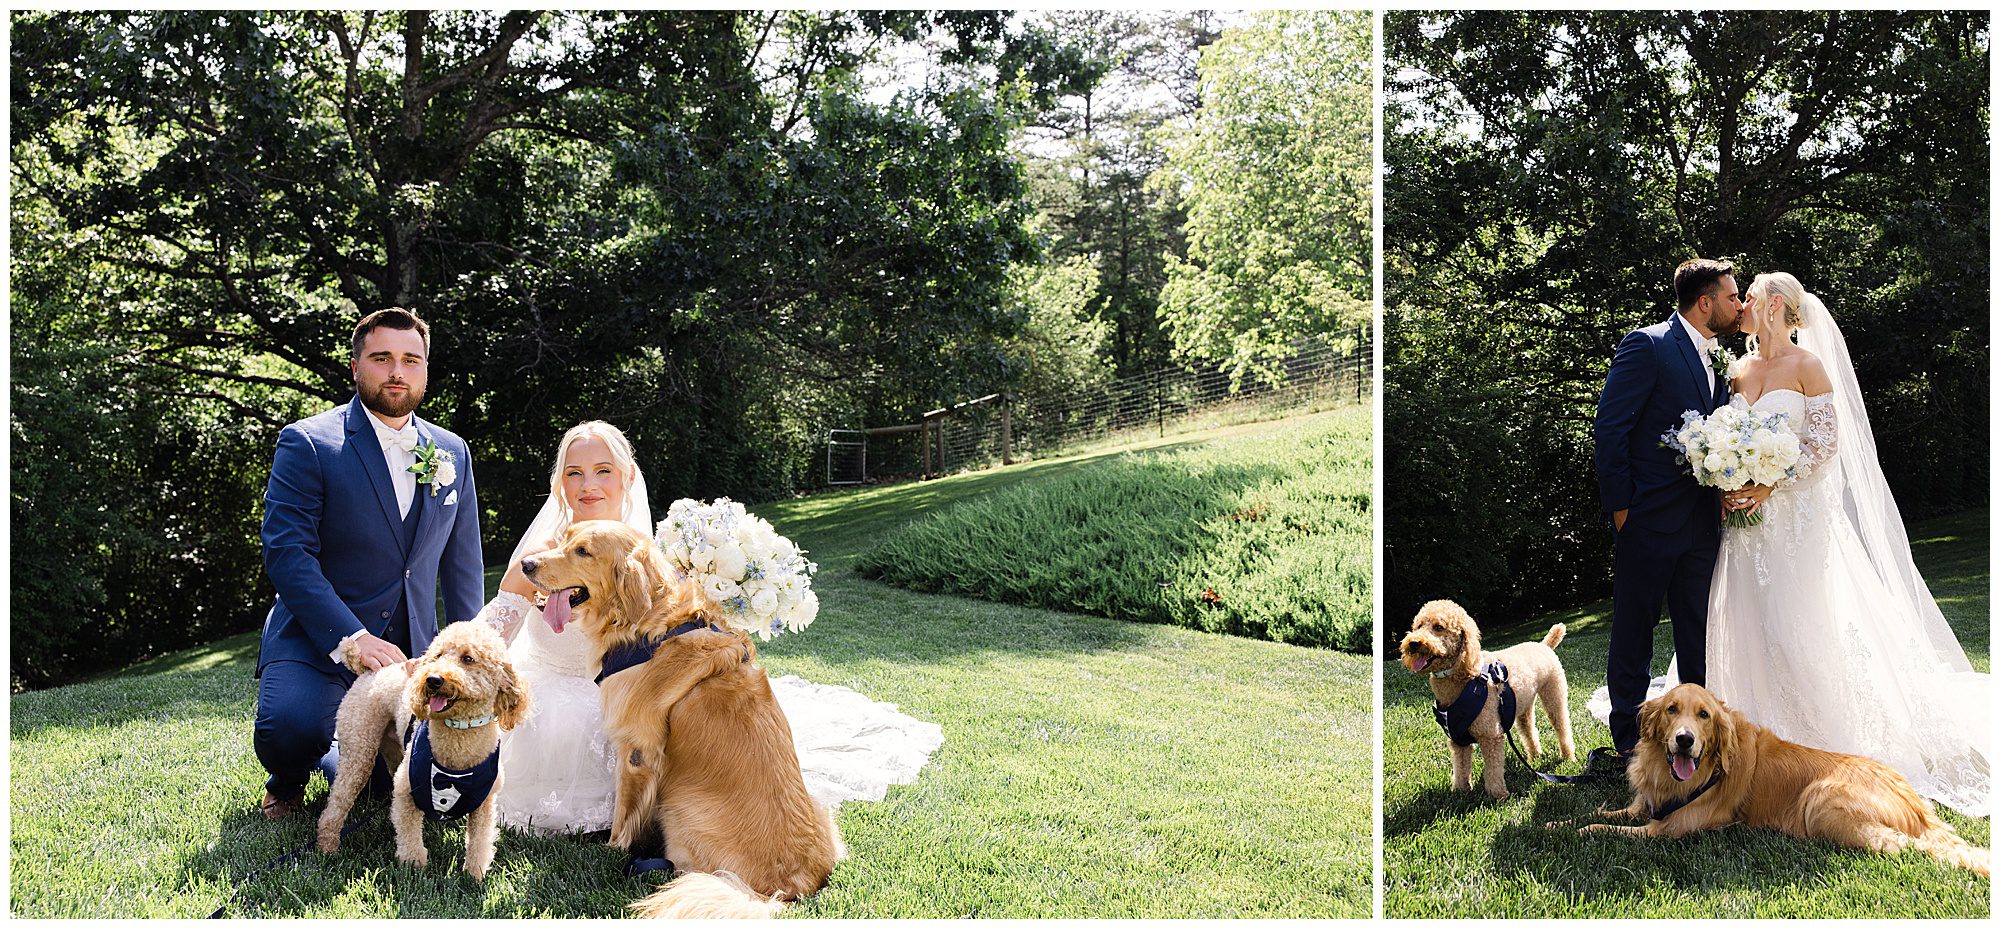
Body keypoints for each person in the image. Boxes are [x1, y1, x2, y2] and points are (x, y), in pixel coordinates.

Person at [1590, 272, 1992, 815]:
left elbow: (1825, 446)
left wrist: (1766, 483)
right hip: (1733, 530)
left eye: (1747, 297)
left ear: (1774, 305)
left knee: (1794, 622)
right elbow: (1704, 437)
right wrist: (1729, 481)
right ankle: (1703, 741)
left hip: (1791, 523)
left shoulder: (1806, 366)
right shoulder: (1732, 370)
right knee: (1728, 624)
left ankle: (1804, 733)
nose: (1741, 306)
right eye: (1735, 297)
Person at [473, 421, 944, 834]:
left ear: (627, 477)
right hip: (551, 704)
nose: (588, 485)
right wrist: (444, 658)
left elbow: (694, 642)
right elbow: (496, 628)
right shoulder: (536, 559)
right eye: (574, 473)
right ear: (559, 483)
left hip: (640, 700)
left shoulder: (658, 558)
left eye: (603, 471)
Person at [254, 307, 484, 819]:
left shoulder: (453, 451)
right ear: (356, 366)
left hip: (410, 655)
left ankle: (346, 751)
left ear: (425, 368)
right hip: (318, 641)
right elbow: (287, 555)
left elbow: (463, 566)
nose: (397, 371)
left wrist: (466, 654)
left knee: (392, 788)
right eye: (382, 358)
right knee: (291, 728)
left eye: (411, 359)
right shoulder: (309, 442)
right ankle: (288, 778)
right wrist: (353, 638)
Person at [1589, 258, 1741, 767]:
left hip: (1702, 525)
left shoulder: (1719, 360)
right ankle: (1629, 745)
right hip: (1647, 520)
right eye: (1731, 296)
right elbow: (1610, 429)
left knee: (1697, 633)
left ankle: (1698, 740)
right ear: (1705, 302)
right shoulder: (1648, 346)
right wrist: (1621, 510)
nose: (1737, 305)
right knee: (1634, 631)